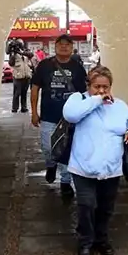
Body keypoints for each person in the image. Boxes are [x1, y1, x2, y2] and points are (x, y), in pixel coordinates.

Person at [62, 66, 128, 255]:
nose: (102, 91)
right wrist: (96, 100)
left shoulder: (120, 105)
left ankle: (101, 239)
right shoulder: (79, 100)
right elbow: (70, 115)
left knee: (106, 207)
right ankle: (86, 242)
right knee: (86, 205)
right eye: (97, 87)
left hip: (111, 168)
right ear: (89, 86)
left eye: (106, 87)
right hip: (83, 166)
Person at [30, 34, 88, 198]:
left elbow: (84, 92)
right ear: (54, 47)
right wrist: (34, 112)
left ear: (72, 48)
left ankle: (65, 181)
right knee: (47, 147)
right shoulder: (44, 66)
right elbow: (35, 88)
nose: (64, 47)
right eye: (60, 44)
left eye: (67, 44)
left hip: (70, 118)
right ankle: (50, 163)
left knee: (67, 149)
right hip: (49, 116)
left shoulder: (77, 67)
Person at [9, 47, 34, 113]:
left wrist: (21, 52)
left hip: (26, 76)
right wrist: (13, 54)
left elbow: (31, 55)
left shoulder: (26, 53)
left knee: (24, 93)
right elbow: (11, 63)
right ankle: (14, 108)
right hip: (18, 77)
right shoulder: (14, 55)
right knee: (17, 93)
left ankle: (24, 108)